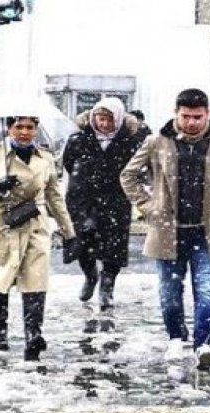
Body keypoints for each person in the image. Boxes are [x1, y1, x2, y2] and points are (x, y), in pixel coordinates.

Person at [120, 88, 210, 371]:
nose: (192, 123)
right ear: (176, 114)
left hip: (209, 231)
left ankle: (205, 344)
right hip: (169, 230)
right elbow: (128, 175)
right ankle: (176, 337)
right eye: (186, 116)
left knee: (206, 290)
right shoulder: (157, 143)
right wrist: (148, 206)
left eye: (198, 117)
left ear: (208, 115)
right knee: (170, 291)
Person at [0, 116, 78, 361]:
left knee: (36, 278)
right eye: (18, 126)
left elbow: (54, 197)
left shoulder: (45, 157)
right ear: (9, 128)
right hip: (1, 222)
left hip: (34, 223)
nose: (24, 132)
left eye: (30, 127)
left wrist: (68, 232)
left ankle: (33, 335)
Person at [61, 97, 149, 311]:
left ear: (118, 120)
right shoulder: (78, 139)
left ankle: (107, 285)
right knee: (82, 244)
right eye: (100, 119)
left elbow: (137, 169)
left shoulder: (130, 142)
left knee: (114, 247)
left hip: (115, 201)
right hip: (83, 201)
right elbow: (68, 163)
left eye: (109, 120)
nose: (104, 124)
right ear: (93, 118)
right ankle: (90, 276)